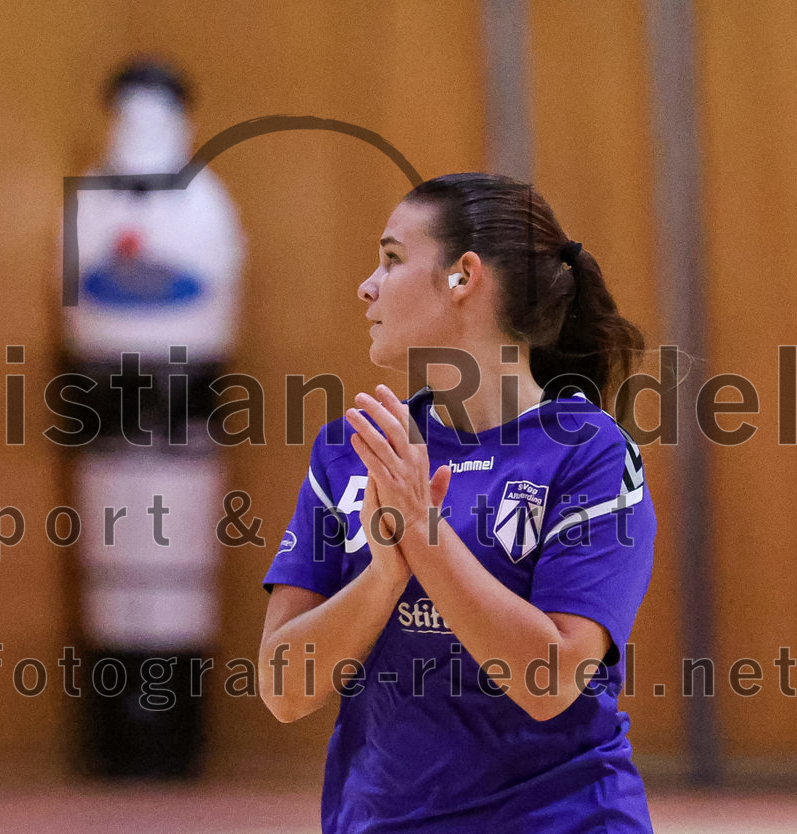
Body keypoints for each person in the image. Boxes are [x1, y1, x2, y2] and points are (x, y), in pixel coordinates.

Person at [258, 173, 656, 832]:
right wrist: (385, 573)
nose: (368, 285)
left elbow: (550, 680)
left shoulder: (588, 451)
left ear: (461, 277)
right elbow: (283, 689)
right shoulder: (354, 451)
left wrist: (424, 535)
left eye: (391, 258)